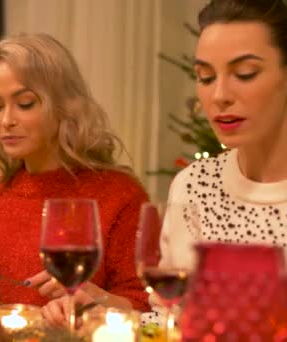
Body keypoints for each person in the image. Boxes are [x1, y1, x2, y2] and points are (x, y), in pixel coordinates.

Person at [0, 33, 150, 315]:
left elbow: (146, 308)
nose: (6, 121)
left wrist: (93, 298)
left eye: (25, 104)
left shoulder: (119, 196)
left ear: (64, 106)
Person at [142, 0, 287, 324]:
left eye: (245, 74)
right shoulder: (194, 186)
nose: (220, 94)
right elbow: (170, 320)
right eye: (205, 77)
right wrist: (114, 315)